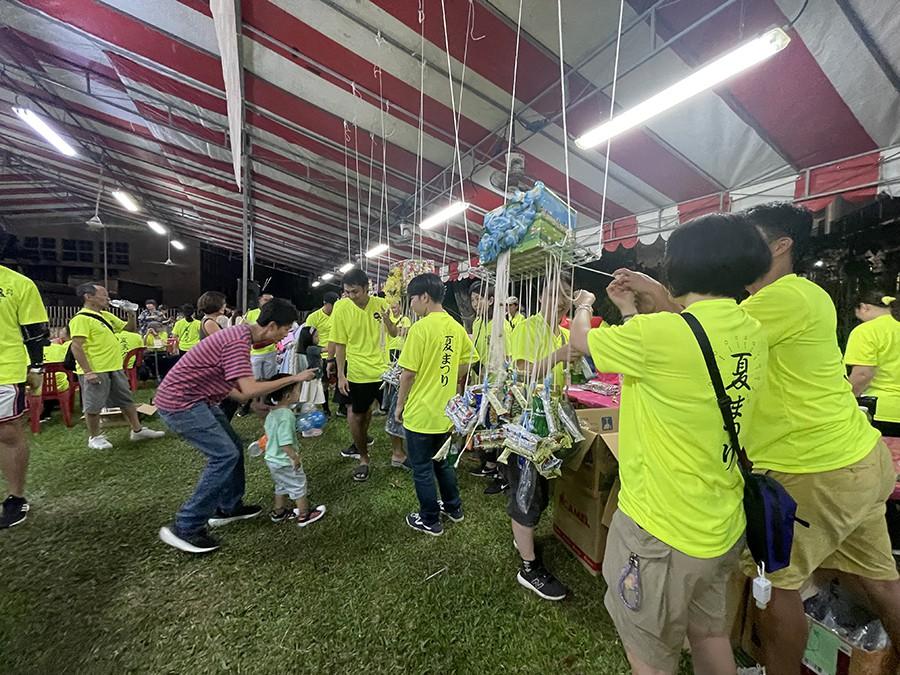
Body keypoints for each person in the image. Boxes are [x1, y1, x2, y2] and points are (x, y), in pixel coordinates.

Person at [569, 213, 772, 674]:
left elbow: (582, 340)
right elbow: (676, 341)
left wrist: (584, 303)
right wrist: (635, 305)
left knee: (651, 654)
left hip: (659, 530)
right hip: (721, 525)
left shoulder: (660, 334)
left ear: (680, 268)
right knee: (710, 635)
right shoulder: (751, 330)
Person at [734, 203, 898, 674]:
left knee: (774, 583)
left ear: (781, 246)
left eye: (746, 240)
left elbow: (702, 342)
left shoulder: (780, 297)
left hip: (813, 469)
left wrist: (657, 301)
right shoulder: (808, 294)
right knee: (879, 579)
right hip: (858, 459)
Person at [155, 297, 317, 554]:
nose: (286, 335)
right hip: (181, 403)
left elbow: (236, 388)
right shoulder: (237, 341)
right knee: (224, 455)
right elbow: (250, 388)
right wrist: (295, 378)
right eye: (286, 329)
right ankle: (185, 526)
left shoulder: (240, 336)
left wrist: (251, 402)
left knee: (232, 448)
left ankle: (229, 507)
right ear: (272, 326)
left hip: (199, 400)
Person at [504, 278, 575, 601]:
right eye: (553, 293)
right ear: (541, 296)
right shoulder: (527, 328)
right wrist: (558, 356)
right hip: (528, 424)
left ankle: (523, 537)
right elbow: (521, 373)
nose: (560, 300)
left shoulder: (562, 333)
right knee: (527, 493)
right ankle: (529, 567)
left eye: (565, 295)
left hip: (551, 425)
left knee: (540, 491)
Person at [395, 273, 478, 535]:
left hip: (421, 413)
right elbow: (469, 361)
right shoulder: (456, 326)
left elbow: (407, 374)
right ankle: (454, 508)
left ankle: (430, 519)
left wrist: (399, 405)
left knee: (422, 468)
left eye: (412, 299)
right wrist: (450, 377)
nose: (411, 305)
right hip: (446, 413)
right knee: (443, 463)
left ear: (424, 297)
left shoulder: (420, 329)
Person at [68, 283, 165, 450]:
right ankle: (95, 437)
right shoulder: (80, 319)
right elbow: (76, 346)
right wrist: (88, 371)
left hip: (114, 367)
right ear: (88, 297)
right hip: (96, 369)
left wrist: (131, 314)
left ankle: (137, 430)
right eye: (104, 295)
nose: (108, 298)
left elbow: (129, 329)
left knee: (126, 400)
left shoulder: (105, 315)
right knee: (93, 405)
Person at [331, 267, 403, 482]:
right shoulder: (341, 307)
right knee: (357, 415)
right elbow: (340, 344)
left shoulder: (381, 304)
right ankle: (363, 457)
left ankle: (398, 453)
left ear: (366, 288)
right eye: (347, 292)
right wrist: (341, 375)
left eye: (355, 291)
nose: (351, 296)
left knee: (394, 413)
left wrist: (388, 320)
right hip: (357, 373)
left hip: (383, 372)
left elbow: (393, 333)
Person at [0, 263, 48, 528]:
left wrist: (37, 367)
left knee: (7, 432)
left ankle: (15, 497)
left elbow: (35, 332)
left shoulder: (17, 283)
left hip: (5, 369)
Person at [263, 374, 326, 526]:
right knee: (298, 485)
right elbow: (285, 443)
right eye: (298, 390)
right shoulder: (286, 416)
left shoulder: (272, 413)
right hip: (285, 460)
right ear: (287, 396)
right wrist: (294, 457)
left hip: (272, 459)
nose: (299, 393)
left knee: (281, 485)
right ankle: (304, 515)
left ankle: (279, 512)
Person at [846, 291, 900, 436]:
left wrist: (846, 400)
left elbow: (863, 374)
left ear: (864, 307)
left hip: (880, 412)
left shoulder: (866, 331)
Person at [305, 292, 338, 414]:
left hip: (339, 353)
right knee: (324, 382)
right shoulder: (314, 317)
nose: (335, 308)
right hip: (322, 355)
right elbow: (308, 338)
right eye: (333, 305)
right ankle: (325, 409)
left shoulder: (338, 315)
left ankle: (342, 407)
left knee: (342, 378)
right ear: (326, 304)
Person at [40, 327, 71, 422]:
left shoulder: (27, 350)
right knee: (56, 379)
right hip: (59, 385)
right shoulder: (60, 348)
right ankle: (53, 407)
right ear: (50, 335)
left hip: (36, 386)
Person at [245, 294, 277, 380]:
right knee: (255, 380)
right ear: (260, 300)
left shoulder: (275, 314)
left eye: (270, 301)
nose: (268, 303)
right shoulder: (251, 313)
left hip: (271, 351)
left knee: (270, 380)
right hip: (254, 352)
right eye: (265, 300)